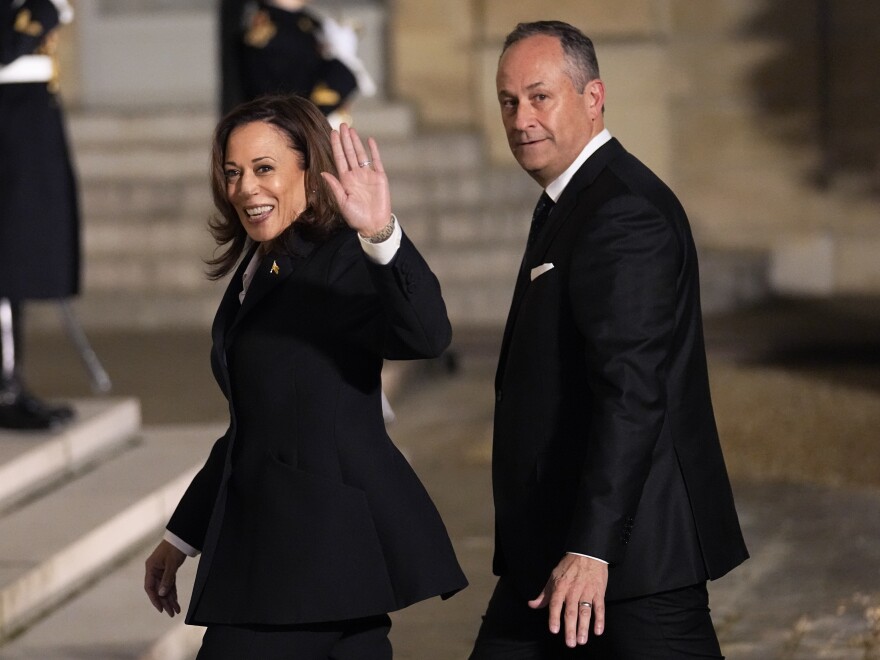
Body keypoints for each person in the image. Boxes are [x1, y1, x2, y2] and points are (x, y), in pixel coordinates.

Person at [143, 94, 467, 658]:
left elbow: (427, 335)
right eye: (233, 173)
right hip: (297, 562)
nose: (246, 188)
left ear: (309, 172)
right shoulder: (257, 265)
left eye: (264, 169)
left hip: (315, 552)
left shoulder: (341, 257)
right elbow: (252, 427)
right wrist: (181, 536)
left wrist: (382, 234)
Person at [470, 21, 749, 658]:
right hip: (549, 557)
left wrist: (592, 547)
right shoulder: (569, 203)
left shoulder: (622, 211)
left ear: (593, 98)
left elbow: (631, 393)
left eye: (540, 96)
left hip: (629, 562)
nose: (520, 118)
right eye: (508, 101)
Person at [0, 0, 78, 430]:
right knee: (6, 272)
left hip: (22, 141)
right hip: (9, 144)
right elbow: (7, 45)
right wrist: (46, 9)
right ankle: (6, 388)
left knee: (15, 269)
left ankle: (12, 382)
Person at [219, 0, 375, 125]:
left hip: (315, 123)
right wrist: (342, 64)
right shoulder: (268, 30)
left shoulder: (307, 22)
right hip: (294, 129)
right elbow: (283, 98)